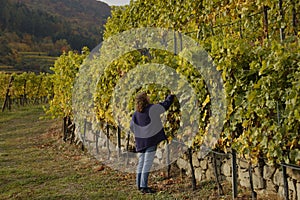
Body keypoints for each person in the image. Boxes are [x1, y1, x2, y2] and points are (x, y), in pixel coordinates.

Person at [130, 92, 175, 194]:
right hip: (150, 140)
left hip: (140, 141)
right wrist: (171, 96)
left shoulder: (136, 114)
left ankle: (139, 185)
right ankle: (144, 187)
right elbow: (165, 105)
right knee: (147, 163)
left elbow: (132, 127)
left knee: (141, 163)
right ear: (146, 100)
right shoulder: (152, 109)